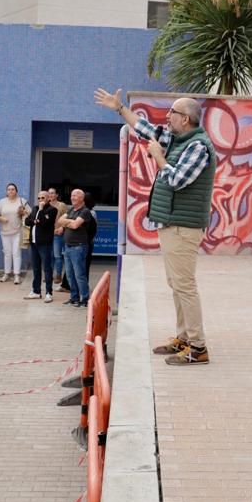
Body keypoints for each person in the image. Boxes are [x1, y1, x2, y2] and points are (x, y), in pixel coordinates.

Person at [95, 88, 219, 366]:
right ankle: (184, 337)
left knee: (184, 285)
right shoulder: (178, 139)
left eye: (172, 112)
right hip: (173, 223)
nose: (167, 116)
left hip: (183, 227)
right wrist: (119, 108)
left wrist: (159, 157)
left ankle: (198, 347)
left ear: (185, 118)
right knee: (176, 284)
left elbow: (176, 179)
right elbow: (144, 128)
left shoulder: (198, 147)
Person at [57, 188, 96, 308]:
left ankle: (84, 299)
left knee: (79, 275)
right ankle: (74, 298)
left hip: (78, 248)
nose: (72, 198)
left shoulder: (85, 212)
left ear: (82, 198)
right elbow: (60, 220)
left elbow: (74, 225)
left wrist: (67, 222)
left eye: (75, 196)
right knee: (69, 275)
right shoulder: (71, 210)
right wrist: (70, 221)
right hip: (68, 247)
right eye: (72, 195)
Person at [25, 189, 58, 303]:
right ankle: (36, 291)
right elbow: (27, 221)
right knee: (36, 268)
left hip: (45, 244)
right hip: (34, 243)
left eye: (43, 198)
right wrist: (36, 220)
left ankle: (49, 292)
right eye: (39, 198)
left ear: (48, 198)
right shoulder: (34, 208)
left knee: (47, 268)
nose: (40, 200)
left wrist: (41, 211)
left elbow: (45, 222)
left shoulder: (52, 210)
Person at [0, 183, 29, 284]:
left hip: (17, 231)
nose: (11, 191)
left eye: (13, 189)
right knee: (7, 253)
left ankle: (17, 275)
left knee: (16, 253)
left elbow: (30, 214)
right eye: (9, 189)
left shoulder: (22, 201)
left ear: (16, 191)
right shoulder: (2, 202)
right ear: (6, 192)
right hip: (5, 232)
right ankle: (6, 274)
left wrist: (23, 213)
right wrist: (1, 218)